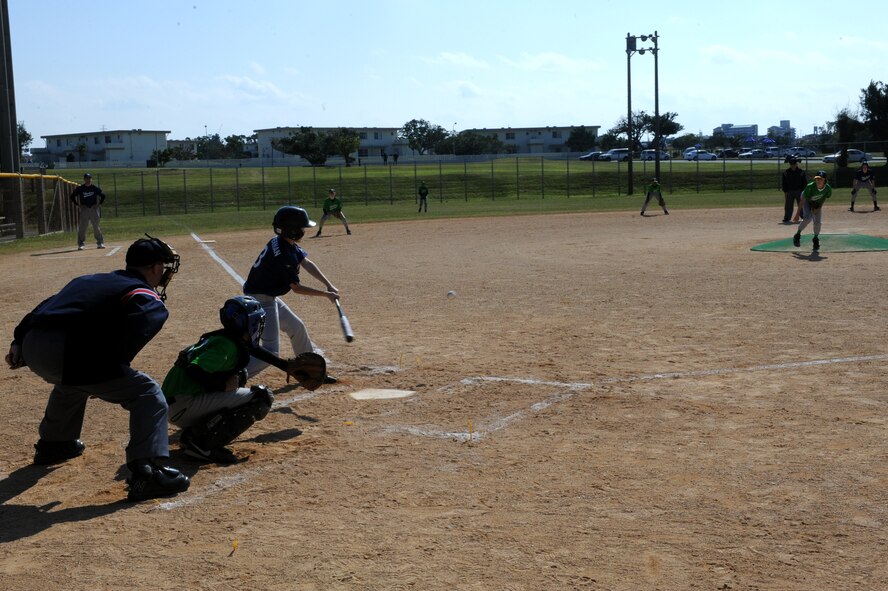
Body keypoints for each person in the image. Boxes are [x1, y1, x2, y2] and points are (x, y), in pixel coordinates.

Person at [4, 235, 190, 502]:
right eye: (163, 266)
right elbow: (127, 340)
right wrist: (105, 374)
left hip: (32, 344)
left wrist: (19, 339)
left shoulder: (91, 279)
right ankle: (147, 472)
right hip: (66, 351)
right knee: (147, 393)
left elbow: (46, 305)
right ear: (156, 269)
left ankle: (55, 444)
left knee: (73, 382)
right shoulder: (146, 296)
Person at [163, 296, 275, 464]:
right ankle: (202, 446)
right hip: (183, 406)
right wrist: (222, 386)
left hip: (175, 404)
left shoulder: (221, 339)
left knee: (240, 376)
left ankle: (194, 435)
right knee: (261, 397)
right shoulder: (226, 346)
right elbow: (194, 369)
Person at [244, 206, 340, 383]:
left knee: (296, 327)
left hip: (266, 297)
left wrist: (328, 284)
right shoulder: (284, 255)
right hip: (261, 300)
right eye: (302, 228)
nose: (304, 231)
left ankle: (311, 371)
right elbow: (297, 288)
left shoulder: (283, 241)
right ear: (293, 230)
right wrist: (326, 294)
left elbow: (306, 262)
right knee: (271, 351)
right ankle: (233, 378)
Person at [793, 170, 832, 251]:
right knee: (807, 218)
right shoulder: (810, 186)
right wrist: (797, 215)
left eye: (821, 179)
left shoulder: (828, 189)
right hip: (806, 200)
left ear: (825, 180)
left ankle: (815, 239)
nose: (818, 181)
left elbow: (824, 197)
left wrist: (818, 208)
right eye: (817, 179)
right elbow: (803, 201)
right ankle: (797, 235)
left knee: (818, 222)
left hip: (817, 203)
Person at [70, 173, 106, 250]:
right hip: (84, 208)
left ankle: (100, 243)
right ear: (84, 179)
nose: (88, 180)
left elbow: (103, 195)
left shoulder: (94, 188)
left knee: (96, 226)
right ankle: (81, 244)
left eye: (89, 178)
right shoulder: (80, 188)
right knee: (83, 227)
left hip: (93, 208)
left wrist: (99, 204)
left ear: (91, 179)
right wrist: (77, 204)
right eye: (86, 178)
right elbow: (72, 196)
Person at [781, 157, 808, 223]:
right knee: (788, 205)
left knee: (801, 205)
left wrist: (803, 191)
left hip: (799, 191)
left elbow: (805, 183)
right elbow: (784, 183)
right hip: (789, 191)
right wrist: (785, 191)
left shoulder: (801, 172)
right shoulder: (786, 173)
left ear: (796, 164)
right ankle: (787, 218)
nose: (793, 166)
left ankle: (803, 217)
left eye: (794, 164)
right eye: (791, 164)